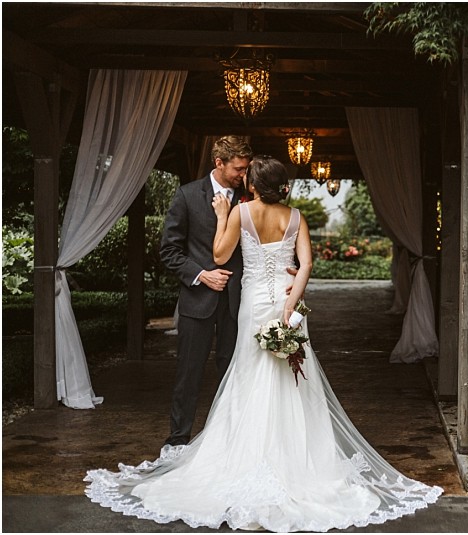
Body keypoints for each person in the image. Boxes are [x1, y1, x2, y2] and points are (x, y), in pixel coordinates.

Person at [85, 156, 442, 531]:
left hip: (254, 302)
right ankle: (299, 459)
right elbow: (305, 265)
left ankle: (246, 453)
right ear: (282, 187)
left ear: (253, 186)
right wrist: (290, 304)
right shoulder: (296, 217)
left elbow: (220, 255)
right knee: (294, 378)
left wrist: (223, 216)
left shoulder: (241, 211)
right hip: (284, 302)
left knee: (248, 373)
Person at [159, 135, 252, 447]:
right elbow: (169, 251)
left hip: (238, 302)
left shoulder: (249, 198)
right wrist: (202, 275)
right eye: (238, 168)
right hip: (197, 300)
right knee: (188, 375)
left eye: (246, 168)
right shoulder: (186, 196)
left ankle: (231, 442)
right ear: (219, 163)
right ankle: (178, 441)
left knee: (235, 373)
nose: (243, 174)